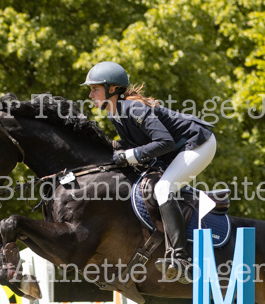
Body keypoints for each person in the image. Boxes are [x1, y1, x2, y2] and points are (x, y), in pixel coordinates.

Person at [83, 61, 216, 284]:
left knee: (164, 188)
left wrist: (129, 155)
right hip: (177, 149)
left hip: (198, 143)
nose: (90, 95)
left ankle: (180, 258)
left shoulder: (133, 108)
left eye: (95, 89)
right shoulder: (115, 113)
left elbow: (164, 142)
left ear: (112, 89)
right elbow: (133, 144)